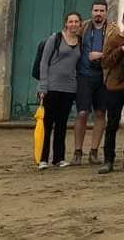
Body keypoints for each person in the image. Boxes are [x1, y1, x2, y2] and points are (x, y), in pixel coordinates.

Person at [37, 12, 83, 169]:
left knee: (62, 124)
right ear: (66, 23)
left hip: (69, 89)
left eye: (77, 21)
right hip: (52, 87)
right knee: (48, 124)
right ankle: (43, 159)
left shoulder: (80, 42)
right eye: (71, 21)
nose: (74, 24)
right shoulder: (55, 39)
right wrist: (43, 86)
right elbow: (44, 63)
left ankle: (59, 158)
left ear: (80, 24)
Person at [98, 8, 124, 174]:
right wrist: (121, 50)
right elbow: (105, 62)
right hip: (115, 88)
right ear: (123, 20)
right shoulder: (114, 39)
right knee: (112, 125)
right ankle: (108, 160)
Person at [73, 1, 109, 166]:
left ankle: (94, 152)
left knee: (101, 113)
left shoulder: (112, 30)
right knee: (82, 113)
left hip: (103, 77)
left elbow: (116, 49)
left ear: (106, 13)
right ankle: (77, 152)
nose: (98, 13)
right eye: (96, 10)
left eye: (102, 10)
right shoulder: (83, 28)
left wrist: (101, 55)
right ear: (91, 11)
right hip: (84, 76)